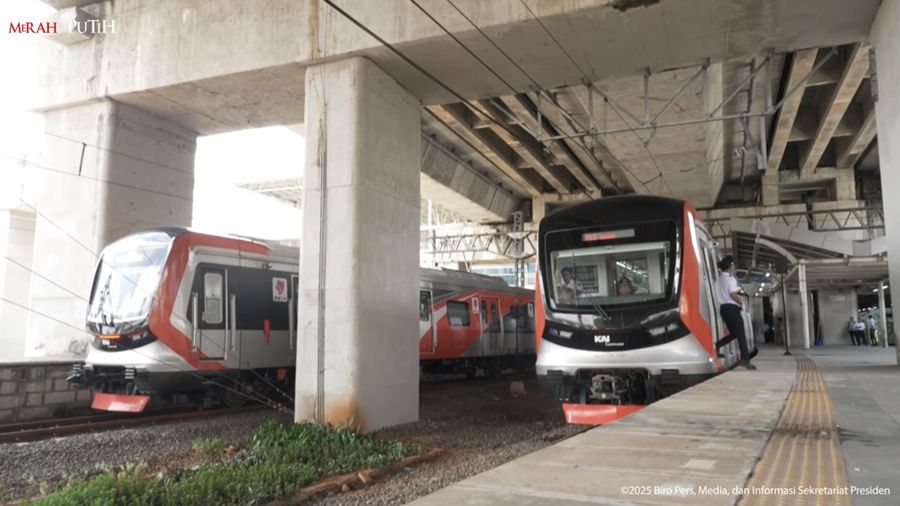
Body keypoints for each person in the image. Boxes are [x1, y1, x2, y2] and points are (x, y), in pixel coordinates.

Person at [715, 256, 755, 369]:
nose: (733, 267)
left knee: (734, 334)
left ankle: (716, 345)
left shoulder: (718, 281)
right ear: (729, 266)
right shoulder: (731, 280)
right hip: (732, 309)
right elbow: (732, 294)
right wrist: (741, 302)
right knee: (741, 334)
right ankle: (745, 360)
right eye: (732, 265)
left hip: (724, 309)